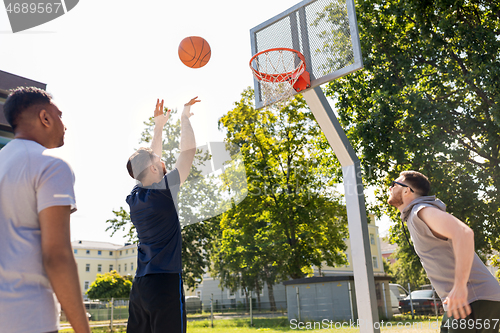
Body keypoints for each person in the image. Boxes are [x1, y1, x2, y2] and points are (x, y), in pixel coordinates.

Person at [0, 87, 90, 333]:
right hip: (28, 318)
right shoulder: (51, 166)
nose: (65, 125)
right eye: (59, 115)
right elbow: (57, 256)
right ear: (45, 118)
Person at [388, 170, 500, 332]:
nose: (390, 188)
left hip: (475, 297)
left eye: (394, 184)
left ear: (407, 190)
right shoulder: (414, 216)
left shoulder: (421, 210)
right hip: (463, 300)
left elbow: (464, 233)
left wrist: (460, 286)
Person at [125, 97, 199, 333]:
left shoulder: (135, 197)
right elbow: (189, 152)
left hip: (141, 286)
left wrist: (159, 127)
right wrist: (184, 119)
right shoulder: (164, 194)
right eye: (160, 160)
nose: (163, 158)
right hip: (165, 282)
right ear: (155, 169)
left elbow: (149, 163)